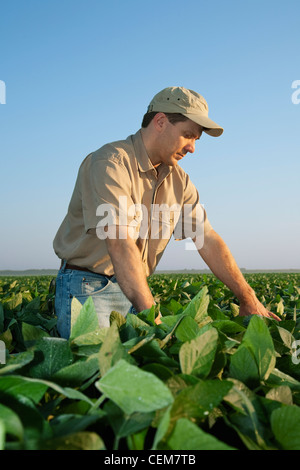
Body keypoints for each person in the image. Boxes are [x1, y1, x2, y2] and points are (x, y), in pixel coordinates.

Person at [53, 86, 280, 339]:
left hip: (135, 287)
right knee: (97, 372)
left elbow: (207, 239)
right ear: (160, 121)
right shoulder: (111, 163)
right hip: (90, 288)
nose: (192, 148)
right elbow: (120, 243)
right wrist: (152, 315)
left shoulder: (179, 181)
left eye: (196, 139)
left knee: (137, 372)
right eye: (188, 135)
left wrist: (248, 298)